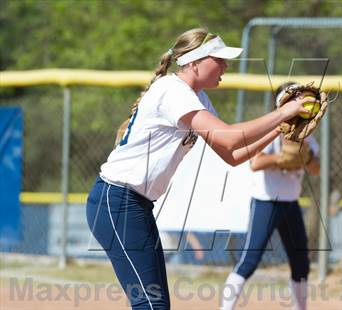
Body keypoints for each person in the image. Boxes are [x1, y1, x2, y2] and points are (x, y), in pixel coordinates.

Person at [86, 28, 316, 310]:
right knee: (151, 304)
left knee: (155, 304)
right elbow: (230, 136)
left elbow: (232, 154)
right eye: (218, 59)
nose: (225, 66)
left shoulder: (196, 97)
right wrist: (284, 112)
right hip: (115, 201)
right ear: (194, 62)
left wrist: (279, 130)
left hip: (136, 206)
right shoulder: (172, 91)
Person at [221, 82, 321, 310]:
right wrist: (281, 160)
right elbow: (256, 163)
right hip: (266, 201)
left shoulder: (306, 135)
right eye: (295, 100)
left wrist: (305, 158)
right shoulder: (273, 131)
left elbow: (316, 169)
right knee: (249, 261)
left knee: (301, 263)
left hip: (290, 203)